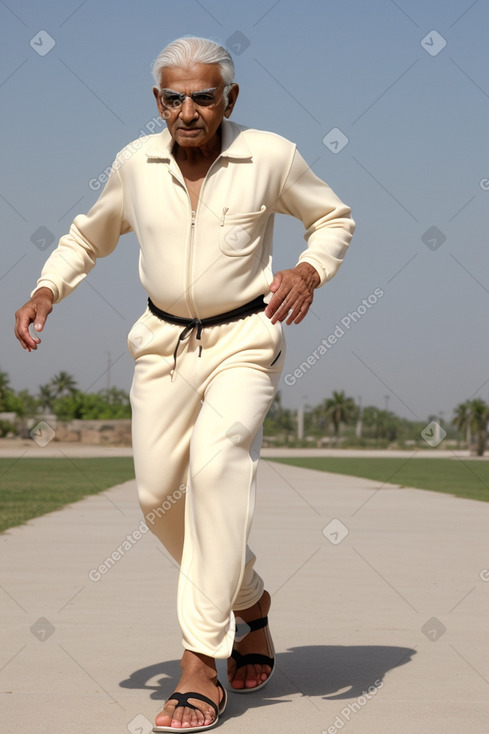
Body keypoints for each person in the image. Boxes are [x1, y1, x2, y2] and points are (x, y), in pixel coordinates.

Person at [14, 36, 355, 732]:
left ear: (229, 99)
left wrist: (307, 270)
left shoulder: (270, 155)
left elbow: (332, 217)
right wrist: (49, 288)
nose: (188, 110)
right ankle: (249, 601)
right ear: (157, 102)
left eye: (203, 96)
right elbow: (88, 236)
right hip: (162, 346)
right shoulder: (133, 166)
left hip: (245, 339)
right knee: (155, 495)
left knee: (218, 465)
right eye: (174, 97)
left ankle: (201, 663)